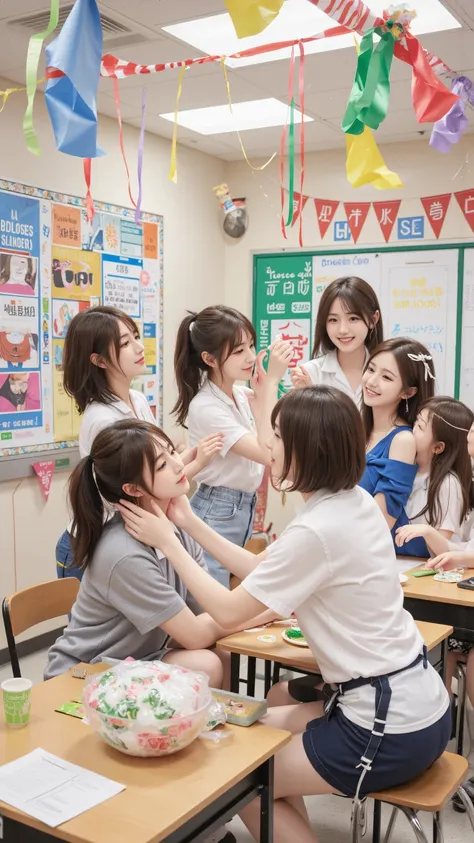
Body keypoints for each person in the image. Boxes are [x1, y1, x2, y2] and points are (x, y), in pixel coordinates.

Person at [117, 386, 450, 843]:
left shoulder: (319, 526)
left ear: (307, 450)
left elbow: (232, 611)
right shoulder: (349, 501)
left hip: (386, 724)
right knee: (249, 729)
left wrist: (169, 542)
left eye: (275, 435)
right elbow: (263, 571)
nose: (267, 446)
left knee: (238, 776)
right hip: (417, 704)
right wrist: (188, 522)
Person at [46, 419, 274, 684]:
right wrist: (269, 611)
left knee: (220, 653)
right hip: (86, 673)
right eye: (163, 465)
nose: (179, 464)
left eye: (172, 452)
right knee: (207, 662)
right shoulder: (123, 553)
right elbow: (196, 634)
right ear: (132, 489)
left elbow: (206, 608)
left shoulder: (175, 523)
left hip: (135, 657)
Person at [56, 306, 222, 582]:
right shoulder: (102, 419)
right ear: (99, 361)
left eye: (135, 336)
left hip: (126, 538)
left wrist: (188, 457)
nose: (138, 347)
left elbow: (152, 472)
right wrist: (196, 464)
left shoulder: (138, 399)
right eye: (125, 343)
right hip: (94, 545)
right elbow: (138, 491)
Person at [173, 305, 292, 587]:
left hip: (240, 507)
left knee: (228, 592)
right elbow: (268, 453)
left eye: (251, 346)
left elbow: (272, 436)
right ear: (209, 358)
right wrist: (272, 382)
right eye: (239, 351)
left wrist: (264, 394)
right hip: (218, 509)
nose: (250, 357)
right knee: (213, 602)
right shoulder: (206, 407)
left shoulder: (238, 393)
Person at [359, 338, 436, 558]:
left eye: (386, 377)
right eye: (371, 369)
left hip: (379, 558)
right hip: (346, 548)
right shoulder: (357, 431)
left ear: (408, 392)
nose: (372, 381)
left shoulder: (403, 440)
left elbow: (382, 519)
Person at [395, 397, 474, 558]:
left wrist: (427, 533)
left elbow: (442, 548)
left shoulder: (448, 484)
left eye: (420, 427)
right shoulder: (404, 469)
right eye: (415, 422)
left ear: (438, 447)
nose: (412, 430)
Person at [291, 276, 382, 405]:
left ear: (373, 319)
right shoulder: (310, 373)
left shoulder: (386, 374)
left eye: (353, 318)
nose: (342, 330)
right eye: (333, 320)